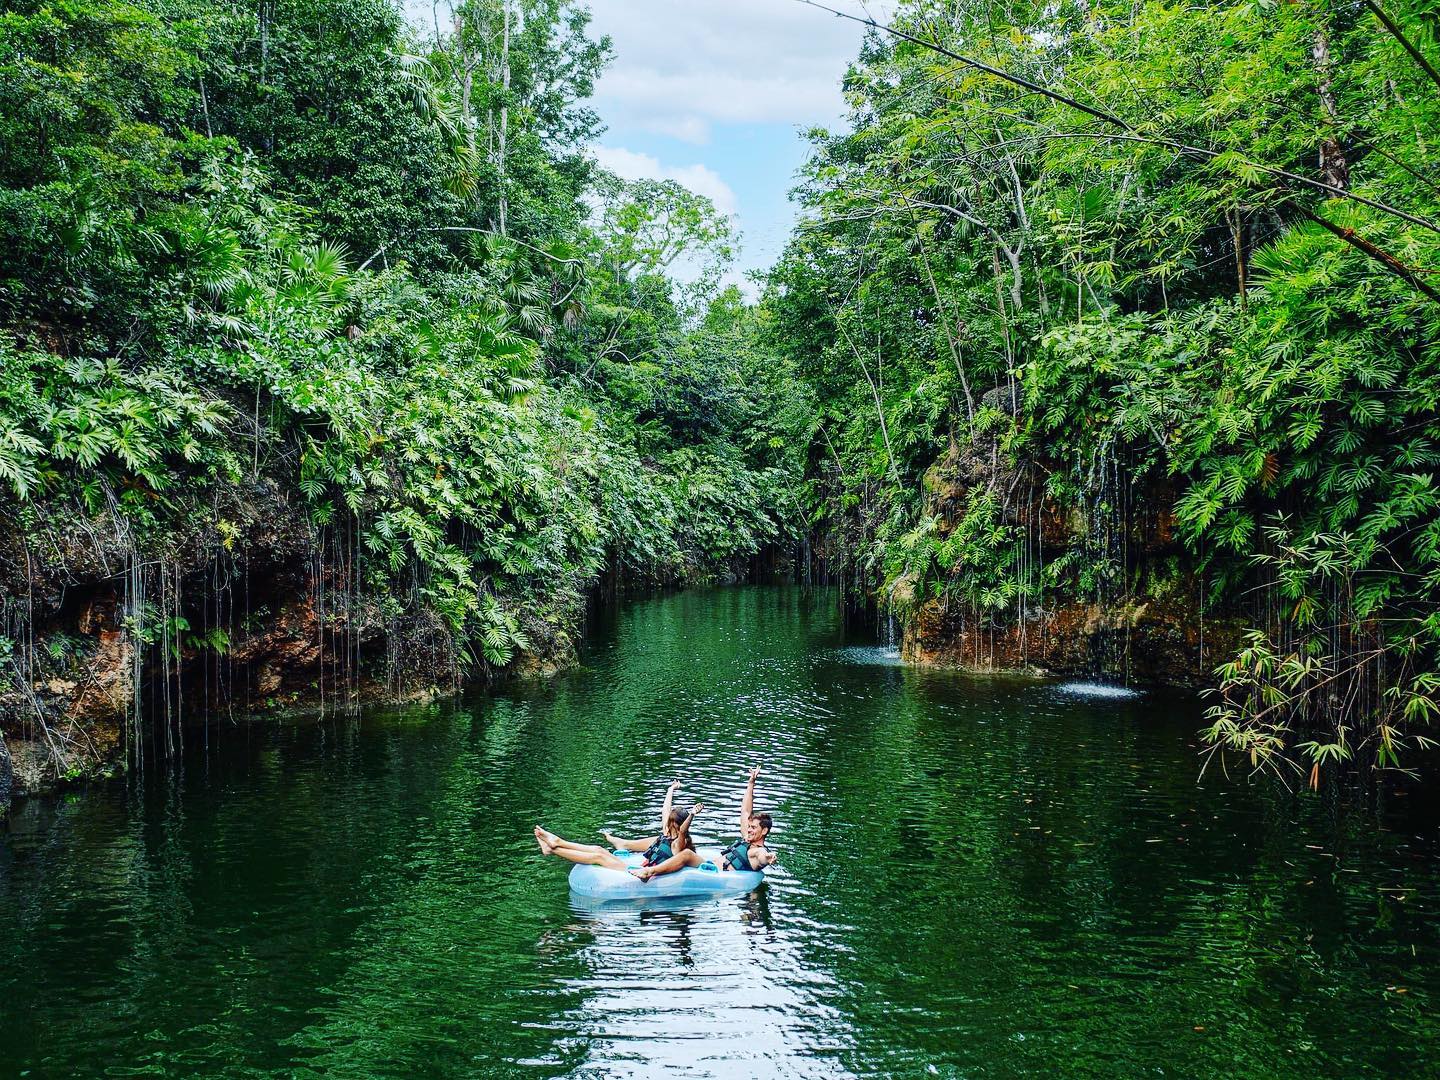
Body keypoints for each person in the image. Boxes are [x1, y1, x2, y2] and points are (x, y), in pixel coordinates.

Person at [630, 766, 775, 882]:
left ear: (764, 831)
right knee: (672, 840)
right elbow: (745, 811)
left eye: (753, 827)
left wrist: (768, 858)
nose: (749, 830)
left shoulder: (758, 852)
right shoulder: (747, 838)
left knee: (687, 853)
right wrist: (751, 783)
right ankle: (652, 862)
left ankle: (650, 872)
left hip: (717, 876)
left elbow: (762, 857)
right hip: (708, 866)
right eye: (749, 827)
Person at [534, 779, 699, 872]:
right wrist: (671, 789)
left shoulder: (679, 844)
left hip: (636, 874)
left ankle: (553, 850)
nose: (667, 824)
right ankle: (557, 843)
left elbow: (684, 830)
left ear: (677, 825)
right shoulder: (667, 834)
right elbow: (665, 809)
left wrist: (691, 814)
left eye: (671, 822)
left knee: (597, 857)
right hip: (637, 867)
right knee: (599, 849)